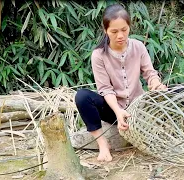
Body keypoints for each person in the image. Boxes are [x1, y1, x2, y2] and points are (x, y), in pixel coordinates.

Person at [75, 4, 166, 162]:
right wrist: (118, 111)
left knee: (180, 92)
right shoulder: (98, 55)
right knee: (82, 97)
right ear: (106, 31)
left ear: (129, 27)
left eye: (124, 30)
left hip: (140, 108)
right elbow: (105, 89)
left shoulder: (138, 47)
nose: (120, 36)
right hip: (114, 111)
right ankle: (103, 145)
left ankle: (160, 127)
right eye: (114, 31)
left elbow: (150, 74)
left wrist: (156, 84)